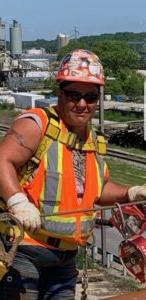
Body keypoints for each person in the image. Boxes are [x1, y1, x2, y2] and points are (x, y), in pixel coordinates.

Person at [0, 49, 146, 300]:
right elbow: (2, 160)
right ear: (60, 92)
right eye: (74, 95)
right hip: (25, 250)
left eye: (90, 97)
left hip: (66, 257)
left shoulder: (92, 140)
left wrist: (131, 192)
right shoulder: (37, 124)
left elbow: (99, 190)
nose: (82, 104)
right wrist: (17, 200)